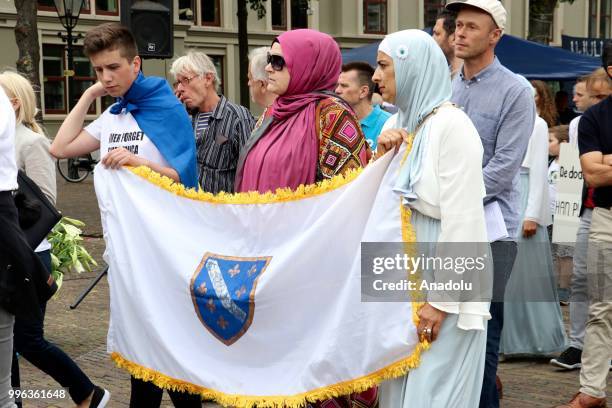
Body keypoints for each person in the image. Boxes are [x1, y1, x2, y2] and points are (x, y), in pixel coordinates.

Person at [48, 22, 200, 408]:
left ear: (135, 63)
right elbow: (60, 148)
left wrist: (136, 163)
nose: (106, 77)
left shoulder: (168, 110)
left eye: (113, 68)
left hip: (167, 254)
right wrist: (89, 95)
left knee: (174, 360)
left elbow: (184, 183)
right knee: (141, 356)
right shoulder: (113, 115)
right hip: (129, 256)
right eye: (99, 70)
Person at [234, 29, 375, 407]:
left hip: (309, 268)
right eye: (269, 59)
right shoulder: (273, 113)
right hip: (265, 260)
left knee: (310, 374)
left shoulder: (333, 117)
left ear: (309, 65)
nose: (270, 67)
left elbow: (347, 199)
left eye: (280, 61)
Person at [372, 29, 490, 408]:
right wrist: (381, 159)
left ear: (412, 68)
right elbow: (380, 207)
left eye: (384, 65)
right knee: (397, 388)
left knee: (433, 390)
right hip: (401, 272)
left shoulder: (453, 127)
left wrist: (441, 301)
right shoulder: (396, 125)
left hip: (443, 270)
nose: (376, 76)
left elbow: (464, 220)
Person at [0, 70, 110, 408]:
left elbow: (46, 204)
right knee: (12, 341)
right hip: (7, 252)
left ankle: (88, 391)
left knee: (27, 340)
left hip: (30, 254)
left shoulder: (32, 143)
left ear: (13, 103)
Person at [444, 0, 536, 405]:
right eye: (457, 25)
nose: (459, 33)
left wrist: (444, 199)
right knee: (447, 331)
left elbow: (503, 169)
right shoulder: (446, 85)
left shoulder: (516, 90)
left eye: (471, 26)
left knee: (482, 333)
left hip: (491, 232)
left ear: (495, 35)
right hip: (444, 224)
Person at [555, 39, 612, 408]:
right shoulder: (596, 118)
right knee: (601, 307)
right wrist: (602, 166)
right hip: (607, 218)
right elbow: (592, 175)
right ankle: (592, 389)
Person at [499, 79, 567, 357]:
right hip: (508, 189)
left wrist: (532, 214)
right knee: (508, 276)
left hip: (525, 192)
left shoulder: (538, 125)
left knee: (525, 275)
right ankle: (508, 339)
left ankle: (535, 339)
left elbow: (538, 170)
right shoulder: (510, 121)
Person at [170, 51, 255, 193]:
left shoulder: (237, 117)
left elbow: (250, 173)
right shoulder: (185, 120)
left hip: (223, 211)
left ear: (208, 79)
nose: (179, 88)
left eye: (186, 80)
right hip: (188, 210)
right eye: (178, 82)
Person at [335, 61, 391, 150]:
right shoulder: (334, 121)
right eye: (337, 85)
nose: (337, 90)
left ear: (363, 91)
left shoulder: (389, 123)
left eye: (344, 86)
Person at [432, 9, 462, 78]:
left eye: (437, 34)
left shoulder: (465, 78)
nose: (432, 38)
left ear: (454, 38)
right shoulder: (445, 73)